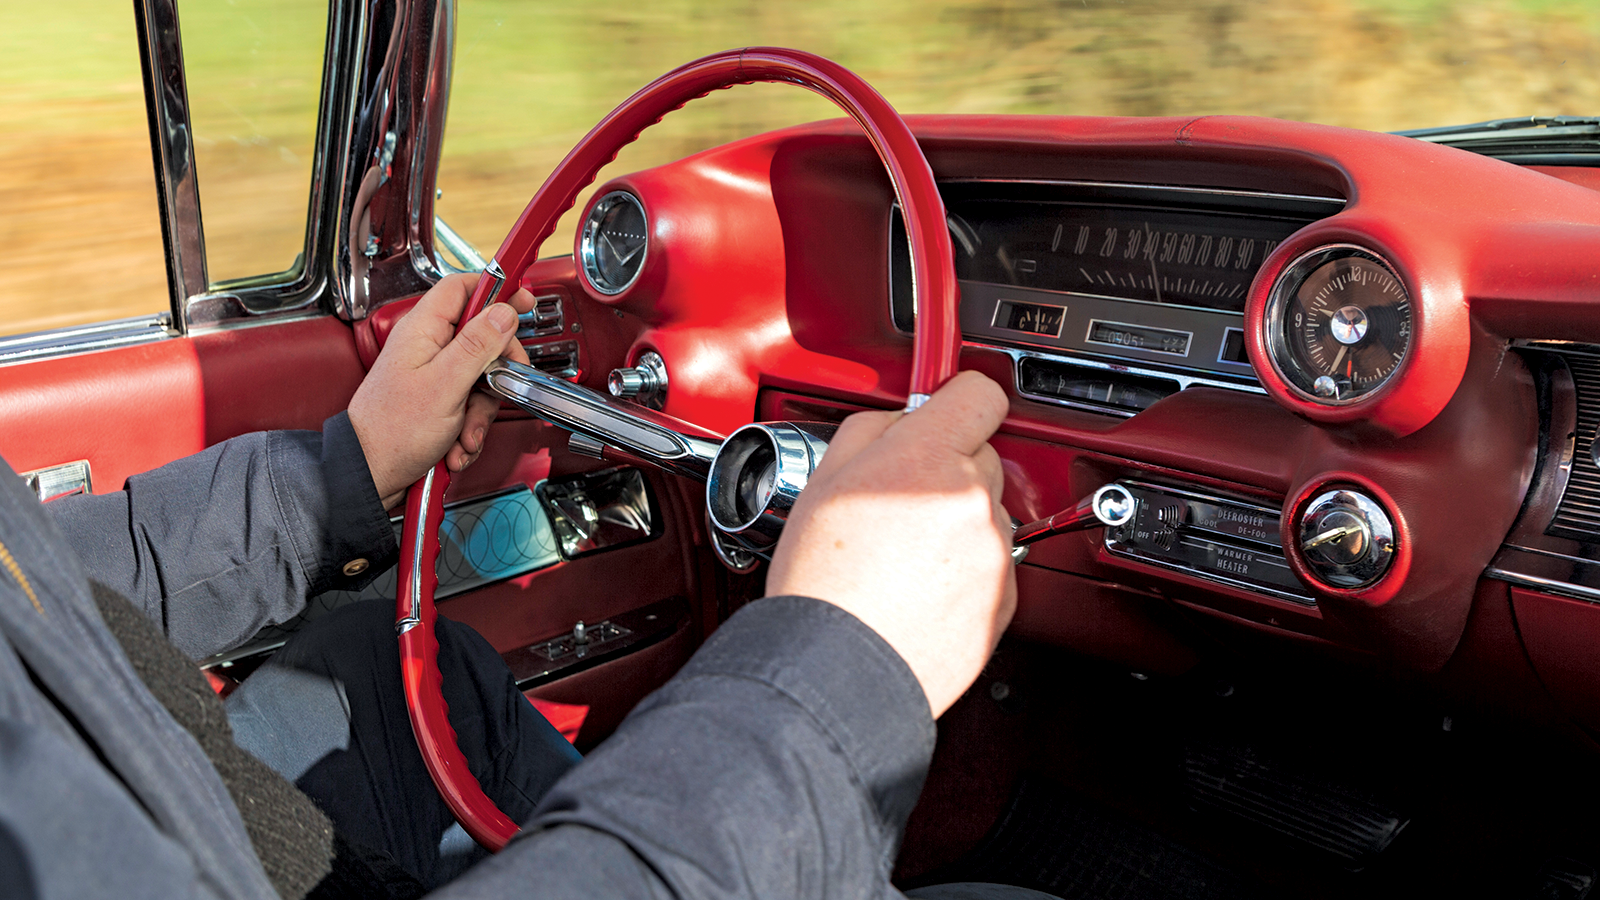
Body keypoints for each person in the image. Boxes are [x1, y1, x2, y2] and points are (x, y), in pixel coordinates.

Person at [0, 272, 1031, 899]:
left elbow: (32, 576)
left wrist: (347, 469)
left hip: (174, 808)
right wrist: (830, 668)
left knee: (387, 672)